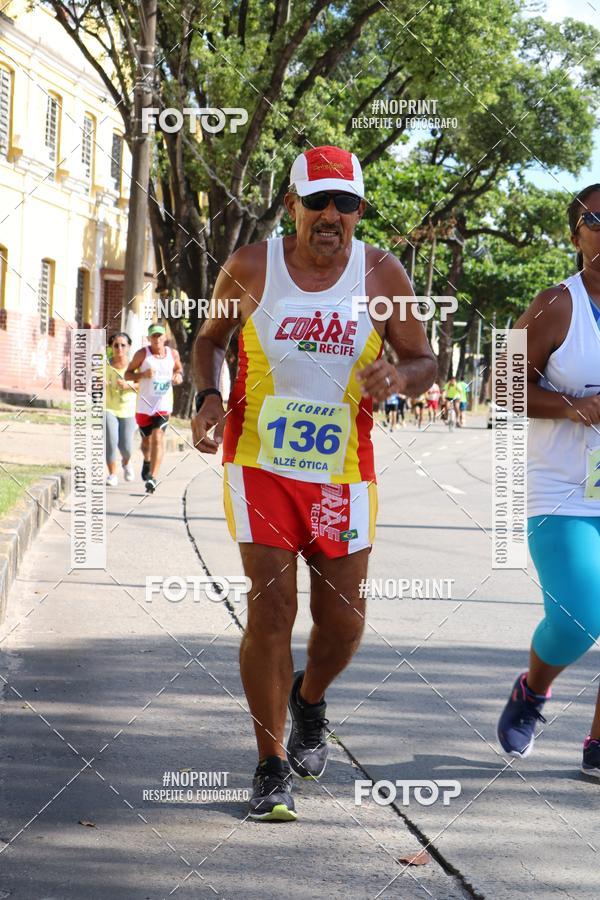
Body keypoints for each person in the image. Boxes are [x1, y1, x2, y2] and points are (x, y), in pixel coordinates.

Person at [191, 145, 437, 820]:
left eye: (347, 204)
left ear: (359, 211)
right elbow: (210, 340)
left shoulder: (383, 275)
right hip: (260, 463)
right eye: (318, 201)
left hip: (343, 476)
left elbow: (424, 360)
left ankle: (309, 699)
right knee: (271, 608)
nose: (332, 216)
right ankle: (271, 764)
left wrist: (402, 378)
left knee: (344, 624)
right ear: (292, 204)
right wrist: (208, 399)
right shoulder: (251, 266)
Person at [497, 183, 600, 776]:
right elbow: (504, 384)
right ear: (575, 234)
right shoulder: (556, 304)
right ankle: (534, 690)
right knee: (581, 615)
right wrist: (575, 407)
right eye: (596, 219)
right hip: (560, 491)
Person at [125, 323, 183, 493]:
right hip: (144, 405)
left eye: (160, 336)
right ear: (149, 338)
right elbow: (127, 374)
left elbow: (179, 369)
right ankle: (147, 460)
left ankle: (153, 477)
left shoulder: (173, 354)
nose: (157, 339)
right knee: (146, 442)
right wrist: (142, 375)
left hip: (163, 405)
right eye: (154, 336)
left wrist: (178, 376)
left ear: (165, 337)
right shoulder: (142, 354)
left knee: (158, 437)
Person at [105, 332, 137, 486]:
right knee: (111, 441)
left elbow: (143, 385)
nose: (119, 348)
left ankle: (126, 462)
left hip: (128, 411)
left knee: (126, 447)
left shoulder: (134, 366)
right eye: (116, 345)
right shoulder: (105, 365)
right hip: (108, 409)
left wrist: (128, 385)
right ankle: (112, 474)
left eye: (123, 345)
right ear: (111, 347)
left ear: (128, 347)